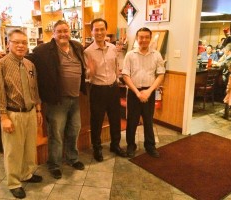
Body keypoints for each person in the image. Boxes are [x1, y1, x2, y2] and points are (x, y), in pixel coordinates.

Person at [26, 20, 86, 179]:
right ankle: (54, 164)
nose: (63, 34)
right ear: (53, 33)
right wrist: (7, 56)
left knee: (74, 130)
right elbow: (28, 58)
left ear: (70, 32)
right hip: (56, 100)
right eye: (59, 31)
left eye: (65, 31)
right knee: (56, 134)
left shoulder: (77, 46)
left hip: (75, 98)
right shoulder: (44, 50)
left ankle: (72, 158)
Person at [0, 29, 43, 199]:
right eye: (16, 42)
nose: (21, 45)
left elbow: (34, 89)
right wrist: (3, 117)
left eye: (24, 42)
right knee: (13, 151)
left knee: (29, 148)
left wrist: (38, 109)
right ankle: (14, 182)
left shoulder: (30, 65)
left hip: (29, 112)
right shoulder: (1, 65)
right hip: (13, 114)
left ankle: (27, 174)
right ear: (8, 44)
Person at [84, 18, 127, 162]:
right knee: (96, 121)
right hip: (97, 90)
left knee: (115, 119)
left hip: (113, 89)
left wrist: (117, 78)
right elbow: (85, 75)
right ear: (92, 32)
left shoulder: (113, 48)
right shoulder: (87, 52)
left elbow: (116, 65)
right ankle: (97, 148)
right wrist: (90, 72)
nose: (100, 32)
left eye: (102, 29)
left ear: (106, 30)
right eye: (96, 29)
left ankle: (115, 145)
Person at [122, 27, 165, 158]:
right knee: (132, 121)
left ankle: (150, 146)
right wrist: (137, 92)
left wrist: (149, 91)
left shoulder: (156, 55)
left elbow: (161, 74)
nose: (144, 40)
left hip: (149, 92)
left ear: (150, 38)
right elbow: (125, 75)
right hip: (134, 93)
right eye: (141, 37)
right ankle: (131, 145)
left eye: (147, 37)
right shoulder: (130, 55)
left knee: (148, 120)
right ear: (137, 38)